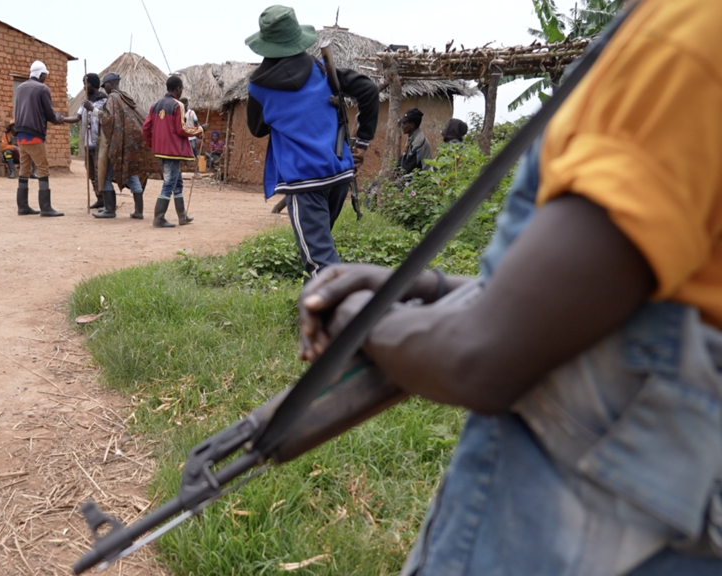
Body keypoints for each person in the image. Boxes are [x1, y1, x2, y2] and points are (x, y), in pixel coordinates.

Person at [298, 0, 722, 574]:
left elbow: (482, 355)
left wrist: (357, 320)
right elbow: (603, 301)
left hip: (579, 531)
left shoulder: (686, 35)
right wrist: (429, 287)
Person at [244, 5, 379, 277]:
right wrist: (362, 142)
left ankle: (345, 315)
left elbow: (257, 129)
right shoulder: (322, 70)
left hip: (304, 181)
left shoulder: (259, 87)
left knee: (320, 263)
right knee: (319, 250)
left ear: (266, 45)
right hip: (339, 173)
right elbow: (369, 90)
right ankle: (311, 312)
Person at [92, 72, 158, 220]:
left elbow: (108, 119)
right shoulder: (126, 98)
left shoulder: (113, 98)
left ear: (111, 84)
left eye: (106, 86)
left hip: (118, 144)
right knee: (132, 175)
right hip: (130, 145)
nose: (105, 89)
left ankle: (109, 210)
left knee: (107, 176)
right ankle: (138, 211)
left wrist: (93, 110)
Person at [143, 75, 205, 227]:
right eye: (181, 89)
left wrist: (153, 143)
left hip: (161, 150)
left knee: (177, 182)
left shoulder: (155, 105)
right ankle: (159, 217)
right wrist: (200, 129)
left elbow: (146, 127)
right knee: (169, 182)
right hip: (172, 150)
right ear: (178, 89)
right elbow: (181, 129)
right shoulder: (178, 105)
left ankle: (182, 216)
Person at [13, 60, 68, 217]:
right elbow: (49, 114)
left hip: (20, 135)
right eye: (45, 75)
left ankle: (22, 206)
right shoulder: (43, 89)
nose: (46, 78)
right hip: (34, 135)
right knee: (43, 168)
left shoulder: (21, 87)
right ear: (41, 74)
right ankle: (46, 208)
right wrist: (57, 118)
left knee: (24, 170)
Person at [61, 73, 109, 209]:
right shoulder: (85, 102)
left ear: (93, 84)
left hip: (100, 144)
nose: (84, 87)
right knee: (91, 173)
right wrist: (62, 119)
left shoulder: (104, 101)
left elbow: (106, 118)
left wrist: (92, 109)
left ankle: (107, 201)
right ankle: (99, 199)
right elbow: (77, 117)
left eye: (86, 83)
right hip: (89, 144)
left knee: (102, 173)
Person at [398, 108, 433, 173]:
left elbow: (409, 166)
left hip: (422, 176)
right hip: (414, 173)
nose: (402, 126)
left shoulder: (419, 141)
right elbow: (404, 158)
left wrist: (397, 173)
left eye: (404, 123)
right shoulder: (412, 138)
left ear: (412, 125)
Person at [180, 97, 201, 166]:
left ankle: (196, 167)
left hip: (191, 136)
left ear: (187, 104)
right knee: (182, 152)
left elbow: (196, 123)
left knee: (193, 151)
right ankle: (184, 166)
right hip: (183, 136)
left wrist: (198, 133)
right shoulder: (179, 113)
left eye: (184, 104)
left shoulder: (191, 113)